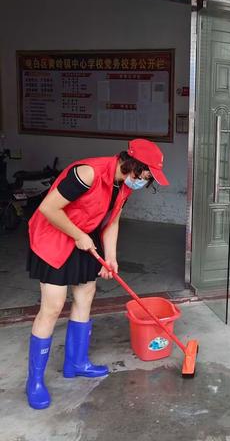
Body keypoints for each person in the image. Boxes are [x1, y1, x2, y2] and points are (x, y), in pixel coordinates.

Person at [25, 138, 169, 410]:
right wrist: (79, 235)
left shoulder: (123, 184)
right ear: (132, 165)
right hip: (53, 238)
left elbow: (112, 220)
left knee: (86, 295)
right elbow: (48, 208)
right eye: (146, 175)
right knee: (53, 307)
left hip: (83, 237)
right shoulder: (87, 173)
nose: (144, 182)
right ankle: (34, 381)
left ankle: (76, 363)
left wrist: (111, 257)